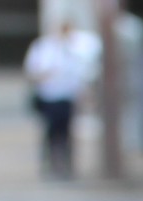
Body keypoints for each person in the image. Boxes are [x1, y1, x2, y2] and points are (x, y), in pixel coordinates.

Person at [22, 19, 95, 180]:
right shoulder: (43, 47)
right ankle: (50, 164)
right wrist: (46, 75)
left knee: (67, 131)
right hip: (49, 96)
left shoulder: (75, 48)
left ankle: (67, 165)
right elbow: (32, 71)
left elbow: (82, 72)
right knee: (51, 131)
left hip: (67, 96)